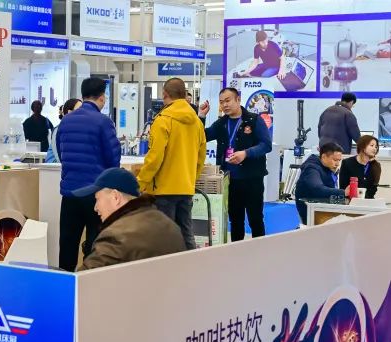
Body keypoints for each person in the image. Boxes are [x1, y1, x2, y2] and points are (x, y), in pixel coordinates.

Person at [56, 77, 122, 272]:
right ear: (102, 97)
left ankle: (64, 283)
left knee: (67, 244)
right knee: (94, 245)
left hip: (69, 193)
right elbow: (113, 157)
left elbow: (61, 152)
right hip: (96, 194)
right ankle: (89, 283)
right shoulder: (103, 122)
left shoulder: (65, 121)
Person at [138, 78, 206, 250]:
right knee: (186, 233)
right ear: (184, 94)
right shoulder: (197, 122)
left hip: (164, 190)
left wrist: (141, 183)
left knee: (164, 238)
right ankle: (192, 265)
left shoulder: (163, 120)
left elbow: (154, 157)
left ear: (164, 94)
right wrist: (191, 180)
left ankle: (167, 268)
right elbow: (200, 157)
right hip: (186, 188)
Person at [74, 168, 186, 271]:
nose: (95, 208)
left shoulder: (115, 237)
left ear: (115, 197)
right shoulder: (170, 225)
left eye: (97, 199)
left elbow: (81, 281)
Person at [199, 88, 272, 241]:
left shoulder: (253, 120)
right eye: (221, 102)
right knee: (235, 221)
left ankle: (261, 250)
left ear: (238, 100)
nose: (225, 105)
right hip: (230, 180)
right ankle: (236, 251)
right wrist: (201, 116)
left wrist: (246, 153)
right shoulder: (221, 123)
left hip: (252, 179)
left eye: (228, 100)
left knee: (255, 219)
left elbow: (266, 145)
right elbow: (201, 137)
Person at [295, 143, 349, 225]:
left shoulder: (326, 167)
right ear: (323, 157)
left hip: (321, 207)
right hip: (311, 211)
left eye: (339, 160)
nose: (338, 164)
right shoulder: (311, 169)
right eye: (335, 160)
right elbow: (317, 189)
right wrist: (343, 192)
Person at [339, 135, 382, 199]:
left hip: (368, 200)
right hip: (350, 200)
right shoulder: (347, 163)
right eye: (372, 145)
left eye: (376, 147)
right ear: (363, 146)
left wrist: (363, 200)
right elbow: (343, 187)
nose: (374, 149)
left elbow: (373, 188)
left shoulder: (376, 165)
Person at [45, 98, 82, 163]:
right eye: (79, 111)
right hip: (56, 166)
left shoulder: (80, 130)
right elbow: (58, 157)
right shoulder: (58, 130)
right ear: (69, 112)